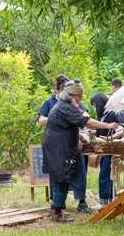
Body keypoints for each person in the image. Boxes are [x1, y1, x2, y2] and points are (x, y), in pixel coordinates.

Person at [42, 83, 120, 221]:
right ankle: (57, 212)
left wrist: (80, 136)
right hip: (58, 148)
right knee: (62, 177)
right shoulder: (65, 107)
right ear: (71, 96)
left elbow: (65, 126)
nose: (80, 101)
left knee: (63, 176)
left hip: (58, 146)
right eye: (78, 98)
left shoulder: (62, 106)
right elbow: (87, 122)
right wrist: (107, 125)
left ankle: (57, 208)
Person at [38, 75, 89, 211]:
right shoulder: (51, 103)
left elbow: (84, 119)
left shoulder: (72, 102)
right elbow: (41, 121)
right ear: (59, 90)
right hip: (57, 146)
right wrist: (60, 117)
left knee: (77, 173)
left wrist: (83, 134)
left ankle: (80, 202)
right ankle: (57, 207)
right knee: (59, 176)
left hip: (70, 145)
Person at [91, 89, 123, 205]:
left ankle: (106, 201)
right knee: (104, 173)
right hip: (103, 149)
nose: (94, 108)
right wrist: (92, 132)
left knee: (106, 174)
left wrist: (110, 138)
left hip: (110, 148)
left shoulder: (112, 114)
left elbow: (121, 130)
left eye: (95, 105)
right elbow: (102, 130)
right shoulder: (102, 117)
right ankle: (105, 200)